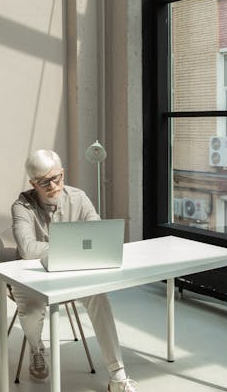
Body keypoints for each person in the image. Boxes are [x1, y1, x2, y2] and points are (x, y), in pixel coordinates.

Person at [11, 149, 138, 392]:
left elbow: (99, 234)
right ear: (32, 183)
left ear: (63, 173)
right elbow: (27, 249)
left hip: (72, 272)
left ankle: (118, 376)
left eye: (56, 177)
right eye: (43, 182)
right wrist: (72, 245)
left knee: (99, 296)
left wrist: (65, 249)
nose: (52, 185)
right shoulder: (21, 206)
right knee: (31, 306)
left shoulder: (78, 197)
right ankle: (36, 348)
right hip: (31, 276)